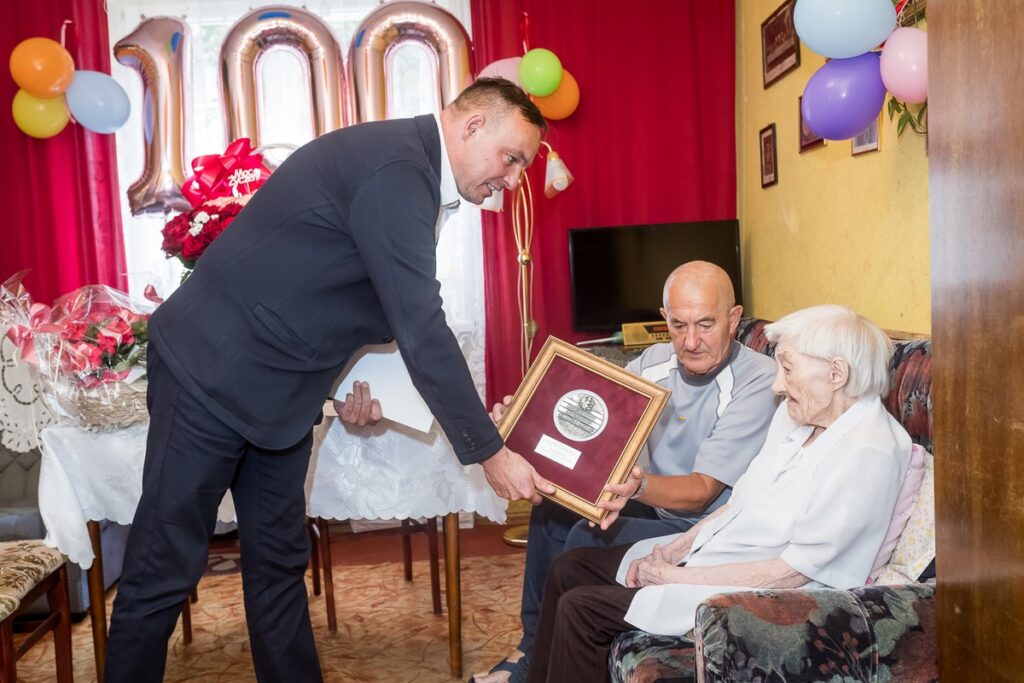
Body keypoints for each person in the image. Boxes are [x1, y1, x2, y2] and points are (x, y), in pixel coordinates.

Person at [104, 78, 554, 683]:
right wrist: (490, 453)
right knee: (163, 568)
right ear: (473, 127)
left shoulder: (412, 168)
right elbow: (420, 324)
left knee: (279, 565)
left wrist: (351, 390)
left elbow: (351, 296)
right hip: (209, 374)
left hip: (281, 395)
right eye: (513, 158)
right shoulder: (398, 168)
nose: (514, 178)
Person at [525, 304, 913, 683]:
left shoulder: (868, 451)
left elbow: (791, 573)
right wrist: (675, 551)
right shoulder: (797, 416)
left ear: (836, 374)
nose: (777, 385)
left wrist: (673, 579)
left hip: (757, 595)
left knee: (582, 610)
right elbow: (739, 501)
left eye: (788, 369)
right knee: (569, 567)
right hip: (720, 555)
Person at [473, 261, 779, 683]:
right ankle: (532, 643)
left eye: (706, 324)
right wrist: (521, 422)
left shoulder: (757, 382)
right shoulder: (653, 361)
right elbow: (593, 422)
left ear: (733, 318)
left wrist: (635, 488)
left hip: (703, 530)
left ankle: (537, 664)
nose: (690, 342)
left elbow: (700, 493)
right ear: (663, 319)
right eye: (678, 325)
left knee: (586, 534)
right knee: (550, 512)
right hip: (656, 507)